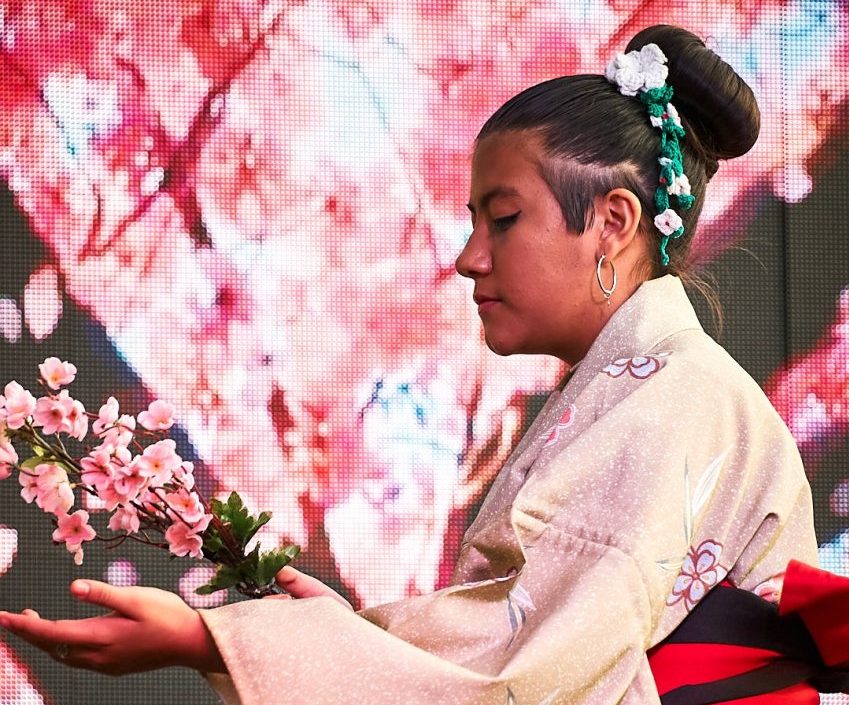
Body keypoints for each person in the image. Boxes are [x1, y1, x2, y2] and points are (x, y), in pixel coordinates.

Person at [0, 24, 836, 704]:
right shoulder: (652, 391)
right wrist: (341, 639)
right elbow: (522, 642)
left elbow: (522, 673)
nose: (469, 257)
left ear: (611, 224)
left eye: (502, 219)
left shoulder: (672, 402)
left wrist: (208, 638)